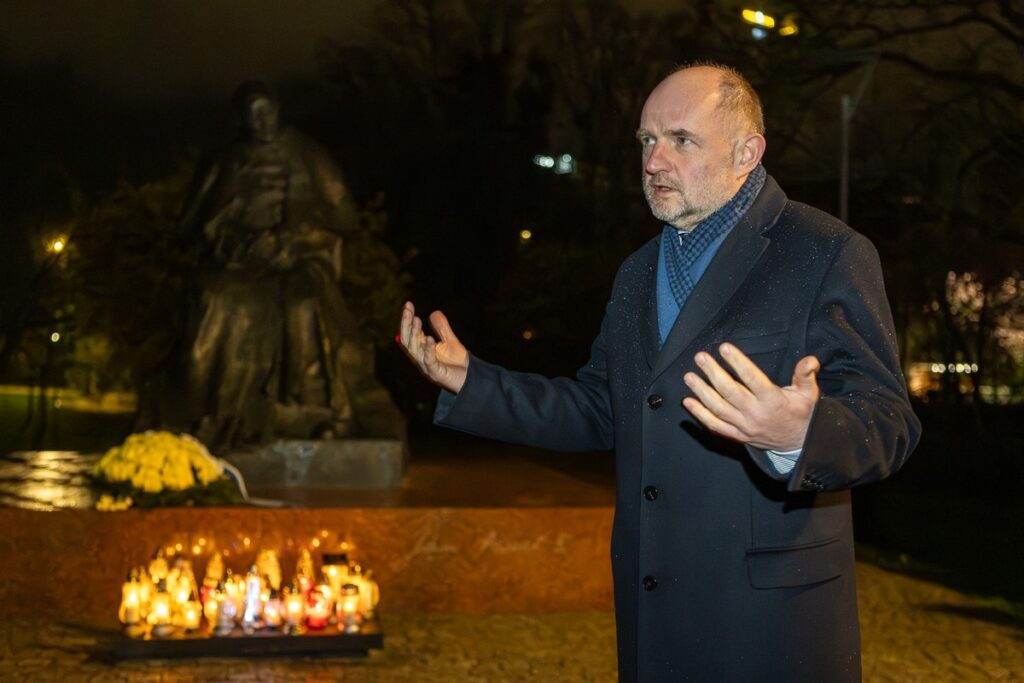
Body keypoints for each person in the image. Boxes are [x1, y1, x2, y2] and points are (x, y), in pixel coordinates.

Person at [398, 63, 920, 682]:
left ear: (747, 153)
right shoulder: (637, 272)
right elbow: (600, 408)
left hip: (771, 624)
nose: (653, 161)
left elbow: (889, 421)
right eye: (647, 140)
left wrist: (798, 434)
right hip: (653, 611)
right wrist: (471, 380)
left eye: (681, 140)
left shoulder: (824, 250)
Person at [175, 83, 401, 451]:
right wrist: (237, 242)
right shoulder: (225, 160)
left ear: (279, 111)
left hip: (300, 256)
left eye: (267, 111)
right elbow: (195, 223)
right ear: (241, 120)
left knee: (303, 303)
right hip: (240, 262)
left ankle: (312, 411)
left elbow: (344, 215)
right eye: (253, 114)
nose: (262, 121)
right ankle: (214, 412)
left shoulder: (307, 152)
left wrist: (296, 235)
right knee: (218, 300)